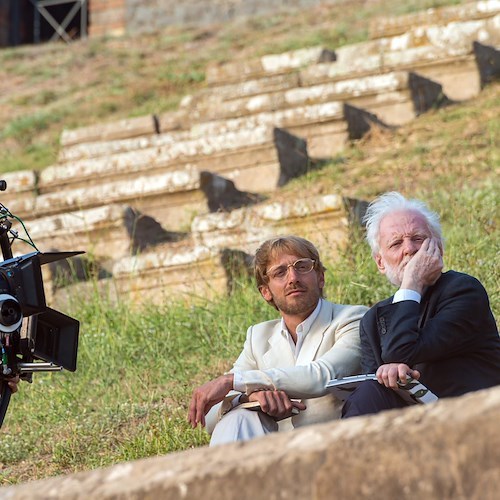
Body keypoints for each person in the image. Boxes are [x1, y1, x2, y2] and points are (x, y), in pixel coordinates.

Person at [188, 235, 368, 445]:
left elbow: (323, 375)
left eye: (302, 266)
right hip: (277, 456)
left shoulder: (353, 319)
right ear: (266, 292)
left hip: (336, 447)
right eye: (280, 272)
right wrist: (248, 398)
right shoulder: (259, 337)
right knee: (237, 417)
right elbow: (209, 418)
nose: (293, 278)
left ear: (320, 277)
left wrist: (234, 382)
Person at [342, 192, 500, 418]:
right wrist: (389, 373)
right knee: (367, 392)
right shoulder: (372, 319)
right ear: (380, 262)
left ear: (439, 248)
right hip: (409, 422)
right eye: (396, 243)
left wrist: (412, 281)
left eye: (418, 238)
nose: (409, 249)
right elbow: (375, 385)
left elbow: (401, 350)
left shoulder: (463, 290)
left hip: (470, 416)